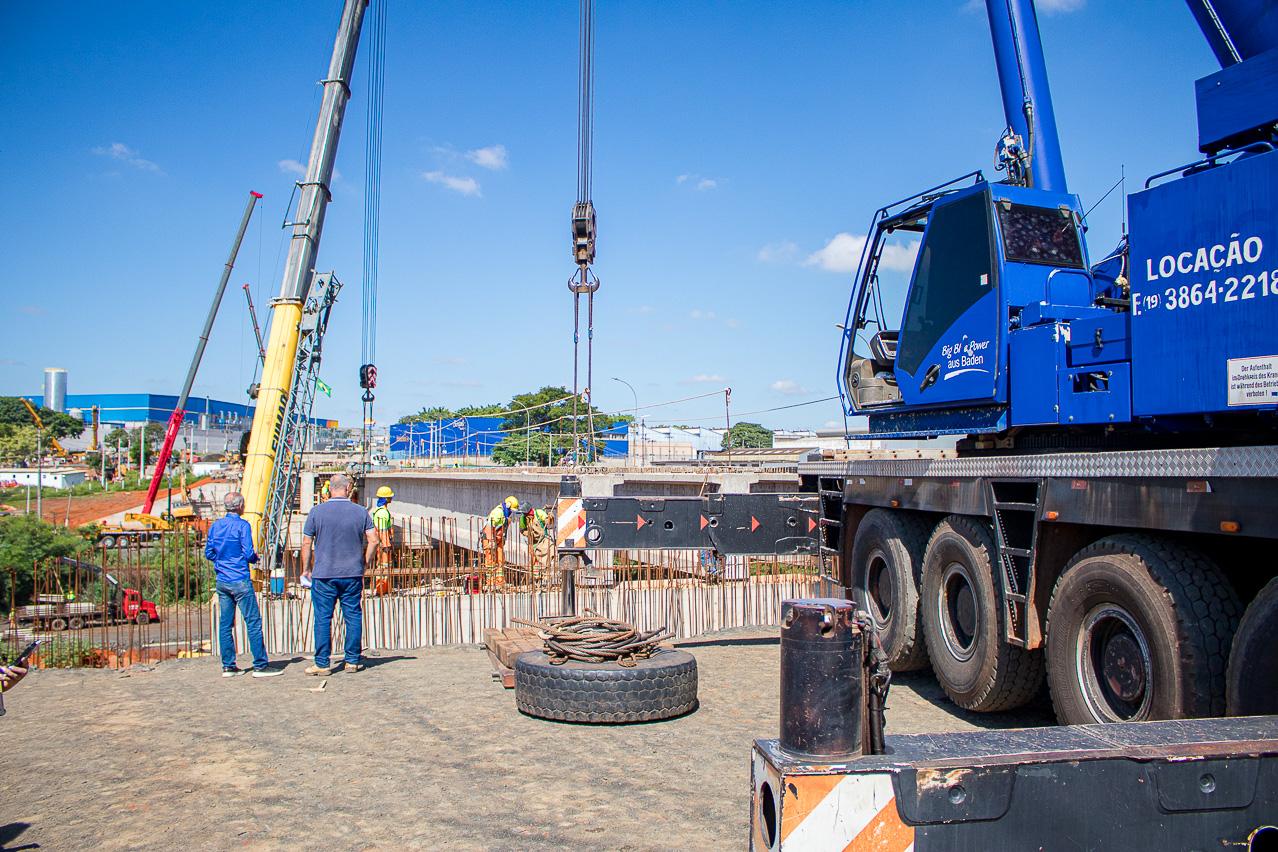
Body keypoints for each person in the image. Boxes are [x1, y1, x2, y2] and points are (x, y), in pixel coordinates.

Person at [301, 473, 377, 675]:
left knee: (323, 618)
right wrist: (365, 562)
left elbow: (307, 542)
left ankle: (322, 663)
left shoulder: (316, 512)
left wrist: (306, 568)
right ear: (347, 488)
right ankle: (352, 660)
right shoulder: (361, 512)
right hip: (352, 573)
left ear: (329, 490)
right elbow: (374, 540)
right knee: (352, 615)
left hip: (324, 574)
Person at [205, 492, 283, 678]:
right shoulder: (243, 526)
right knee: (253, 622)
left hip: (222, 580)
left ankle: (228, 666)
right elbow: (248, 553)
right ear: (240, 506)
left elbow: (209, 553)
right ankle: (260, 665)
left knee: (225, 624)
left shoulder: (215, 526)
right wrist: (254, 558)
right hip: (240, 578)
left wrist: (222, 561)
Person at [480, 496, 519, 570]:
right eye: (511, 510)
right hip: (489, 539)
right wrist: (491, 541)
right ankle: (491, 579)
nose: (511, 512)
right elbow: (489, 526)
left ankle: (499, 579)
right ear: (508, 505)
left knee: (500, 561)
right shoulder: (498, 512)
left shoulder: (505, 514)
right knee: (491, 562)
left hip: (498, 539)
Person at [520, 504, 554, 574]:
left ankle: (547, 573)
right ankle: (536, 577)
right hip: (533, 541)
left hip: (543, 539)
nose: (527, 516)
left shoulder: (539, 513)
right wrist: (528, 533)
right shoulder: (523, 519)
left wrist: (549, 519)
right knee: (535, 558)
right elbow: (522, 530)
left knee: (552, 551)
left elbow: (548, 521)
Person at [372, 486, 395, 568]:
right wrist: (386, 546)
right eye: (390, 497)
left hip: (383, 544)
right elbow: (382, 532)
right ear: (386, 499)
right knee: (384, 567)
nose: (391, 498)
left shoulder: (382, 510)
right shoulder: (382, 513)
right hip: (383, 546)